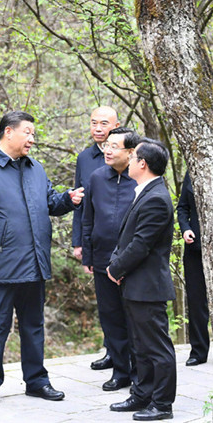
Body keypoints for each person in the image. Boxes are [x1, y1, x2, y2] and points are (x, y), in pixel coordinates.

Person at [0, 111, 84, 404]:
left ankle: (37, 381)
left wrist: (68, 199)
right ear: (8, 132)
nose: (32, 139)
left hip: (35, 262)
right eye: (27, 132)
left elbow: (49, 202)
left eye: (33, 133)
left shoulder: (35, 168)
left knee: (34, 326)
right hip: (1, 264)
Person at [107, 138, 176, 421]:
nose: (129, 160)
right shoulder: (144, 192)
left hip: (148, 286)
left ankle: (162, 404)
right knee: (141, 346)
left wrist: (115, 269)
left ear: (143, 164)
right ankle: (142, 394)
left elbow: (140, 245)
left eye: (133, 156)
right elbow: (127, 238)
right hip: (135, 284)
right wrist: (116, 262)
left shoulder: (157, 198)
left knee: (157, 348)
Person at [82, 127, 139, 391]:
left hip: (132, 262)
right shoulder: (96, 178)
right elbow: (88, 218)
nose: (107, 150)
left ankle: (139, 372)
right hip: (102, 259)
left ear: (130, 152)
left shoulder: (139, 179)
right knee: (110, 317)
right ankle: (120, 371)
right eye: (106, 145)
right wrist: (88, 254)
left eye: (114, 146)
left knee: (134, 318)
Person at [72, 106, 120, 371]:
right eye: (93, 123)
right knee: (106, 302)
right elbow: (79, 201)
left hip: (122, 237)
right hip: (97, 236)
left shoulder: (129, 152)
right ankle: (112, 351)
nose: (98, 128)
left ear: (116, 126)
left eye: (104, 123)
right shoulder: (85, 158)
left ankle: (129, 355)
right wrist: (79, 241)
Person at [177, 171, 213, 367]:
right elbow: (182, 208)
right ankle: (198, 351)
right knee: (196, 301)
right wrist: (185, 228)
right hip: (194, 248)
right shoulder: (191, 173)